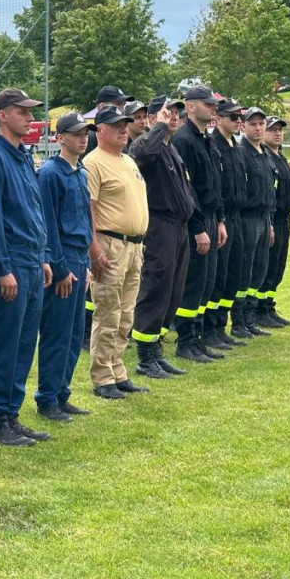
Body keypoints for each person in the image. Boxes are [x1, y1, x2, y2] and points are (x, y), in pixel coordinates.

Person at [0, 88, 52, 446]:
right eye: (23, 112)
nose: (30, 118)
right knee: (4, 343)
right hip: (10, 262)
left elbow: (34, 211)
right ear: (2, 115)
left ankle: (12, 414)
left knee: (23, 342)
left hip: (32, 261)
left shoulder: (22, 156)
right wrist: (2, 267)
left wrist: (45, 256)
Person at [82, 107, 150, 400]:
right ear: (99, 130)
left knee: (125, 313)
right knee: (108, 312)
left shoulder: (128, 160)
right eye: (116, 126)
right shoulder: (93, 163)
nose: (124, 130)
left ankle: (118, 371)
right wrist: (94, 251)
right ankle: (102, 377)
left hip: (134, 246)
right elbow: (89, 210)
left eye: (125, 124)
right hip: (109, 245)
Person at [128, 97, 194, 379]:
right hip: (159, 226)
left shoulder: (170, 149)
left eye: (177, 113)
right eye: (168, 112)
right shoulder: (146, 144)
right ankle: (144, 358)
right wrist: (159, 127)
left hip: (179, 227)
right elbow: (141, 156)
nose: (174, 117)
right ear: (154, 118)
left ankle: (156, 350)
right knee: (155, 288)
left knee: (172, 291)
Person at [35, 112, 94, 420]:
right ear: (60, 138)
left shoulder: (80, 172)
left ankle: (62, 392)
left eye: (86, 133)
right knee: (57, 333)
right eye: (77, 133)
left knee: (74, 333)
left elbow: (85, 217)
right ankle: (47, 398)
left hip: (80, 258)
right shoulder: (50, 173)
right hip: (64, 258)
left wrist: (86, 265)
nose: (83, 138)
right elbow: (48, 224)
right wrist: (59, 267)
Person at [171, 85, 227, 363]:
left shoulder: (205, 139)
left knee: (206, 284)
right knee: (193, 284)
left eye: (214, 103)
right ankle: (185, 341)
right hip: (195, 222)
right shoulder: (184, 140)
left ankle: (198, 338)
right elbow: (187, 189)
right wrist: (198, 228)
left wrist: (219, 219)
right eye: (208, 103)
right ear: (190, 106)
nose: (213, 107)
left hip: (209, 218)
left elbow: (213, 185)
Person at [208, 98, 251, 347]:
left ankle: (221, 326)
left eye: (240, 118)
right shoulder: (214, 145)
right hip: (220, 218)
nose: (238, 122)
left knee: (233, 274)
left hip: (237, 217)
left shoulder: (234, 146)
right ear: (220, 118)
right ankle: (210, 328)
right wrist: (220, 218)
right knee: (219, 276)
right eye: (233, 117)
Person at [237, 107, 277, 337]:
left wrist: (270, 222)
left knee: (259, 270)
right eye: (253, 124)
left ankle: (250, 318)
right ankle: (239, 321)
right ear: (243, 126)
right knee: (246, 269)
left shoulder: (265, 153)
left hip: (264, 218)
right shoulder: (242, 152)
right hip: (248, 218)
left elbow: (270, 190)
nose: (258, 128)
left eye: (261, 123)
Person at [258, 116, 290, 327]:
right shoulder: (266, 158)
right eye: (272, 129)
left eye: (280, 130)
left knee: (278, 267)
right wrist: (270, 223)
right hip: (273, 220)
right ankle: (259, 310)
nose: (277, 133)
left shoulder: (280, 157)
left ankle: (268, 306)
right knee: (268, 265)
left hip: (284, 221)